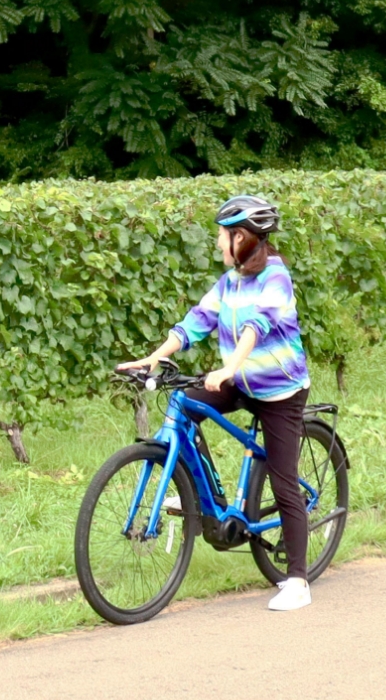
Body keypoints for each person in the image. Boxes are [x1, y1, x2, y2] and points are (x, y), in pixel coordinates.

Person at [118, 194, 315, 611]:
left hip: (281, 390)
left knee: (283, 483)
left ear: (241, 238)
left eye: (221, 237)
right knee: (184, 405)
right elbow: (197, 321)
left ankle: (297, 580)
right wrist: (156, 356)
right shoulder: (230, 281)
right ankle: (198, 494)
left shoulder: (275, 278)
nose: (217, 244)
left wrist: (229, 367)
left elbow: (255, 326)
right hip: (241, 380)